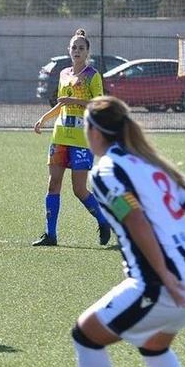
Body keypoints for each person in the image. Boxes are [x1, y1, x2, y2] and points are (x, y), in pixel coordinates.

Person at [73, 95, 185, 367]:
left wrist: (163, 273)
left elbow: (136, 219)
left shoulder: (105, 171)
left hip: (164, 281)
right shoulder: (149, 162)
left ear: (95, 131)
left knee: (85, 336)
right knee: (154, 347)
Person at [32, 28, 111, 247]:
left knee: (79, 189)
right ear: (69, 50)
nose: (77, 50)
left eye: (81, 48)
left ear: (87, 52)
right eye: (74, 47)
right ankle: (51, 235)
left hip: (81, 139)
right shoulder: (64, 73)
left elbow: (99, 105)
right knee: (53, 184)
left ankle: (103, 221)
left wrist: (75, 102)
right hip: (60, 137)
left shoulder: (92, 75)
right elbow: (61, 103)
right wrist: (44, 119)